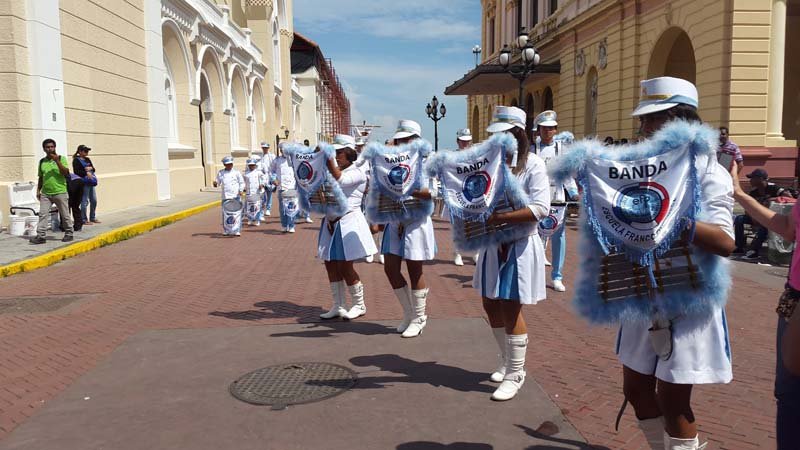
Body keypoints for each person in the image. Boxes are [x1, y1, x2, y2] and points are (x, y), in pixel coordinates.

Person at [610, 77, 735, 450]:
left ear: (682, 120)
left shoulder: (710, 171)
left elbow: (725, 241)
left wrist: (669, 220)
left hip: (687, 296)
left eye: (655, 119)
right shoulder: (642, 170)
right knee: (635, 389)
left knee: (674, 401)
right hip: (643, 292)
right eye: (644, 120)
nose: (645, 128)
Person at [472, 106, 550, 401]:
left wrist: (500, 218)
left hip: (518, 245)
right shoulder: (490, 164)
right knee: (490, 303)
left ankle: (516, 373)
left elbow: (541, 208)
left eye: (505, 134)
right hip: (493, 244)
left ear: (518, 135)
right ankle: (506, 360)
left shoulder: (534, 164)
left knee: (510, 306)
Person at [729, 164, 800, 449]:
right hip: (792, 297)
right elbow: (789, 229)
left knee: (792, 392)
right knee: (788, 394)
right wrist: (739, 194)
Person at [380, 120, 436, 338]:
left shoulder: (427, 161)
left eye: (406, 139)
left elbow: (431, 193)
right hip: (395, 219)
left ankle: (420, 317)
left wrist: (406, 188)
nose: (402, 143)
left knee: (415, 271)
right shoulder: (391, 161)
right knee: (390, 268)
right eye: (399, 140)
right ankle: (409, 312)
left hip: (415, 221)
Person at [318, 134, 378, 320]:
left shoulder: (358, 171)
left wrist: (326, 158)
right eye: (334, 152)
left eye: (339, 152)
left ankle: (359, 304)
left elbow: (341, 180)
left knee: (345, 266)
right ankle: (339, 305)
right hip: (330, 222)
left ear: (350, 153)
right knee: (330, 264)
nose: (336, 156)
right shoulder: (333, 171)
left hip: (348, 223)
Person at [532, 110, 579, 292]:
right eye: (544, 128)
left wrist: (573, 193)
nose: (548, 131)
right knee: (535, 235)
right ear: (539, 129)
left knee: (559, 236)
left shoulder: (562, 149)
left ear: (556, 129)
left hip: (557, 198)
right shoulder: (532, 149)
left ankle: (557, 276)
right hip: (537, 198)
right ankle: (535, 274)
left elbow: (567, 175)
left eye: (551, 128)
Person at [733, 168, 791, 259]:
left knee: (765, 224)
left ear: (760, 179)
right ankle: (739, 246)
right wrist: (753, 216)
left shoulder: (773, 188)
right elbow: (747, 208)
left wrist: (772, 199)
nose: (750, 180)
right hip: (756, 218)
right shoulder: (753, 192)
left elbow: (788, 196)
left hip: (773, 218)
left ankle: (754, 250)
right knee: (739, 219)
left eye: (752, 178)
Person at [30, 139, 74, 244]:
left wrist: (57, 161)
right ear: (44, 149)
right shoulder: (42, 162)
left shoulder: (61, 158)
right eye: (47, 147)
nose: (50, 149)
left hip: (60, 192)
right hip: (46, 193)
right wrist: (38, 190)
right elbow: (41, 177)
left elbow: (66, 173)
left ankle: (69, 233)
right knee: (43, 214)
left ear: (55, 147)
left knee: (65, 214)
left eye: (52, 147)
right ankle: (41, 236)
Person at [451, 128, 474, 267]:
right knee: (458, 225)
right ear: (458, 141)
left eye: (467, 141)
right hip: (458, 194)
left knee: (475, 224)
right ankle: (457, 252)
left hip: (473, 194)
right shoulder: (453, 157)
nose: (465, 144)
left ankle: (475, 252)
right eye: (462, 141)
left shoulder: (476, 155)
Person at [213, 156, 245, 236]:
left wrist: (241, 190)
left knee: (236, 214)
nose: (229, 165)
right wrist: (215, 183)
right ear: (224, 165)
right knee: (226, 214)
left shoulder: (236, 172)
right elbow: (218, 182)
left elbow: (241, 182)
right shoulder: (221, 172)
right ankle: (227, 230)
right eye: (227, 164)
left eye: (230, 164)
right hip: (226, 196)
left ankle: (237, 230)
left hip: (235, 196)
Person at [270, 144, 298, 233]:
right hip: (281, 187)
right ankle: (284, 225)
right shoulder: (276, 160)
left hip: (292, 187)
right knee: (282, 209)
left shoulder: (293, 160)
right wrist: (274, 179)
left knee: (291, 207)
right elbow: (271, 171)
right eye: (282, 150)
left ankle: (292, 225)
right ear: (280, 151)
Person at [73, 144, 99, 225]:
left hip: (91, 181)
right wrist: (85, 173)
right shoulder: (76, 160)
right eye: (85, 151)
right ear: (80, 151)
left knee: (94, 200)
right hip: (84, 182)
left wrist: (91, 168)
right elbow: (76, 172)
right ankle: (84, 219)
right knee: (84, 201)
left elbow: (93, 169)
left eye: (87, 151)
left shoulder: (88, 159)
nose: (87, 152)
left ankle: (92, 217)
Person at [243, 158, 267, 226]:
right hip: (249, 192)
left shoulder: (259, 173)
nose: (251, 166)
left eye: (253, 165)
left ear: (255, 165)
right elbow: (243, 182)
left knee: (257, 206)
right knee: (249, 206)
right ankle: (250, 219)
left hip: (257, 192)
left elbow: (265, 179)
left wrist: (262, 184)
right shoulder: (246, 174)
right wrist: (243, 188)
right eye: (250, 165)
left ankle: (257, 220)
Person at [258, 142, 275, 217]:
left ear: (268, 148)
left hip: (270, 176)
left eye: (266, 148)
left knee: (269, 193)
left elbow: (274, 166)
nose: (264, 149)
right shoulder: (260, 156)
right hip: (262, 177)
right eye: (263, 148)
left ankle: (268, 209)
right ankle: (262, 210)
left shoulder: (272, 156)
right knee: (262, 193)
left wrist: (274, 177)